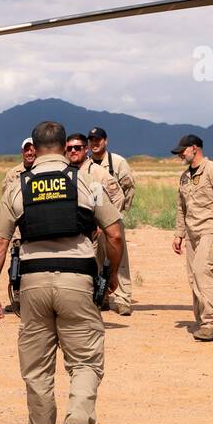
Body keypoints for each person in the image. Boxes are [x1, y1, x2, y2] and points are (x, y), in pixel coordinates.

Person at [0, 121, 124, 424]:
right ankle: (76, 419)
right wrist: (113, 275)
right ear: (64, 146)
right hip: (78, 281)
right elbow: (115, 234)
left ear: (37, 148)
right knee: (86, 362)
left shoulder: (19, 185)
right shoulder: (88, 182)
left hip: (31, 285)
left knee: (37, 370)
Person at [171, 134, 213, 342]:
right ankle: (201, 321)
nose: (181, 154)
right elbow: (181, 208)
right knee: (193, 278)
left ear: (194, 148)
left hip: (210, 231)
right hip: (191, 235)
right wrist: (178, 234)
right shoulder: (184, 177)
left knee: (202, 272)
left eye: (183, 150)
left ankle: (210, 323)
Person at [88, 127, 137, 313]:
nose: (95, 143)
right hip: (94, 222)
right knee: (97, 259)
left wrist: (117, 215)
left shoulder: (117, 162)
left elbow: (128, 189)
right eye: (91, 140)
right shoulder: (86, 164)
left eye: (98, 139)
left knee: (119, 259)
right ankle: (103, 296)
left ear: (105, 141)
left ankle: (123, 299)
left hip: (112, 220)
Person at [2, 137, 36, 314]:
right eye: (27, 149)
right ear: (22, 152)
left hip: (37, 226)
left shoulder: (43, 171)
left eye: (33, 149)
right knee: (16, 262)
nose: (30, 153)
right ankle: (17, 299)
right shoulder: (13, 174)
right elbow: (6, 203)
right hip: (17, 229)